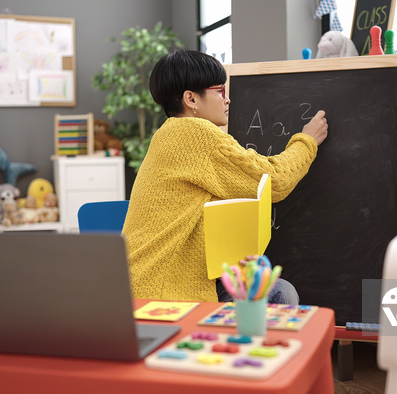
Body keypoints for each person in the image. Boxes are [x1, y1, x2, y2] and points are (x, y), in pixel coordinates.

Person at [122, 49, 328, 304]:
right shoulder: (195, 134)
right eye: (220, 91)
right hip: (168, 294)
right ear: (191, 99)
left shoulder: (167, 134)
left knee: (275, 289)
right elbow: (274, 182)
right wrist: (307, 141)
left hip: (143, 285)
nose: (227, 99)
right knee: (280, 292)